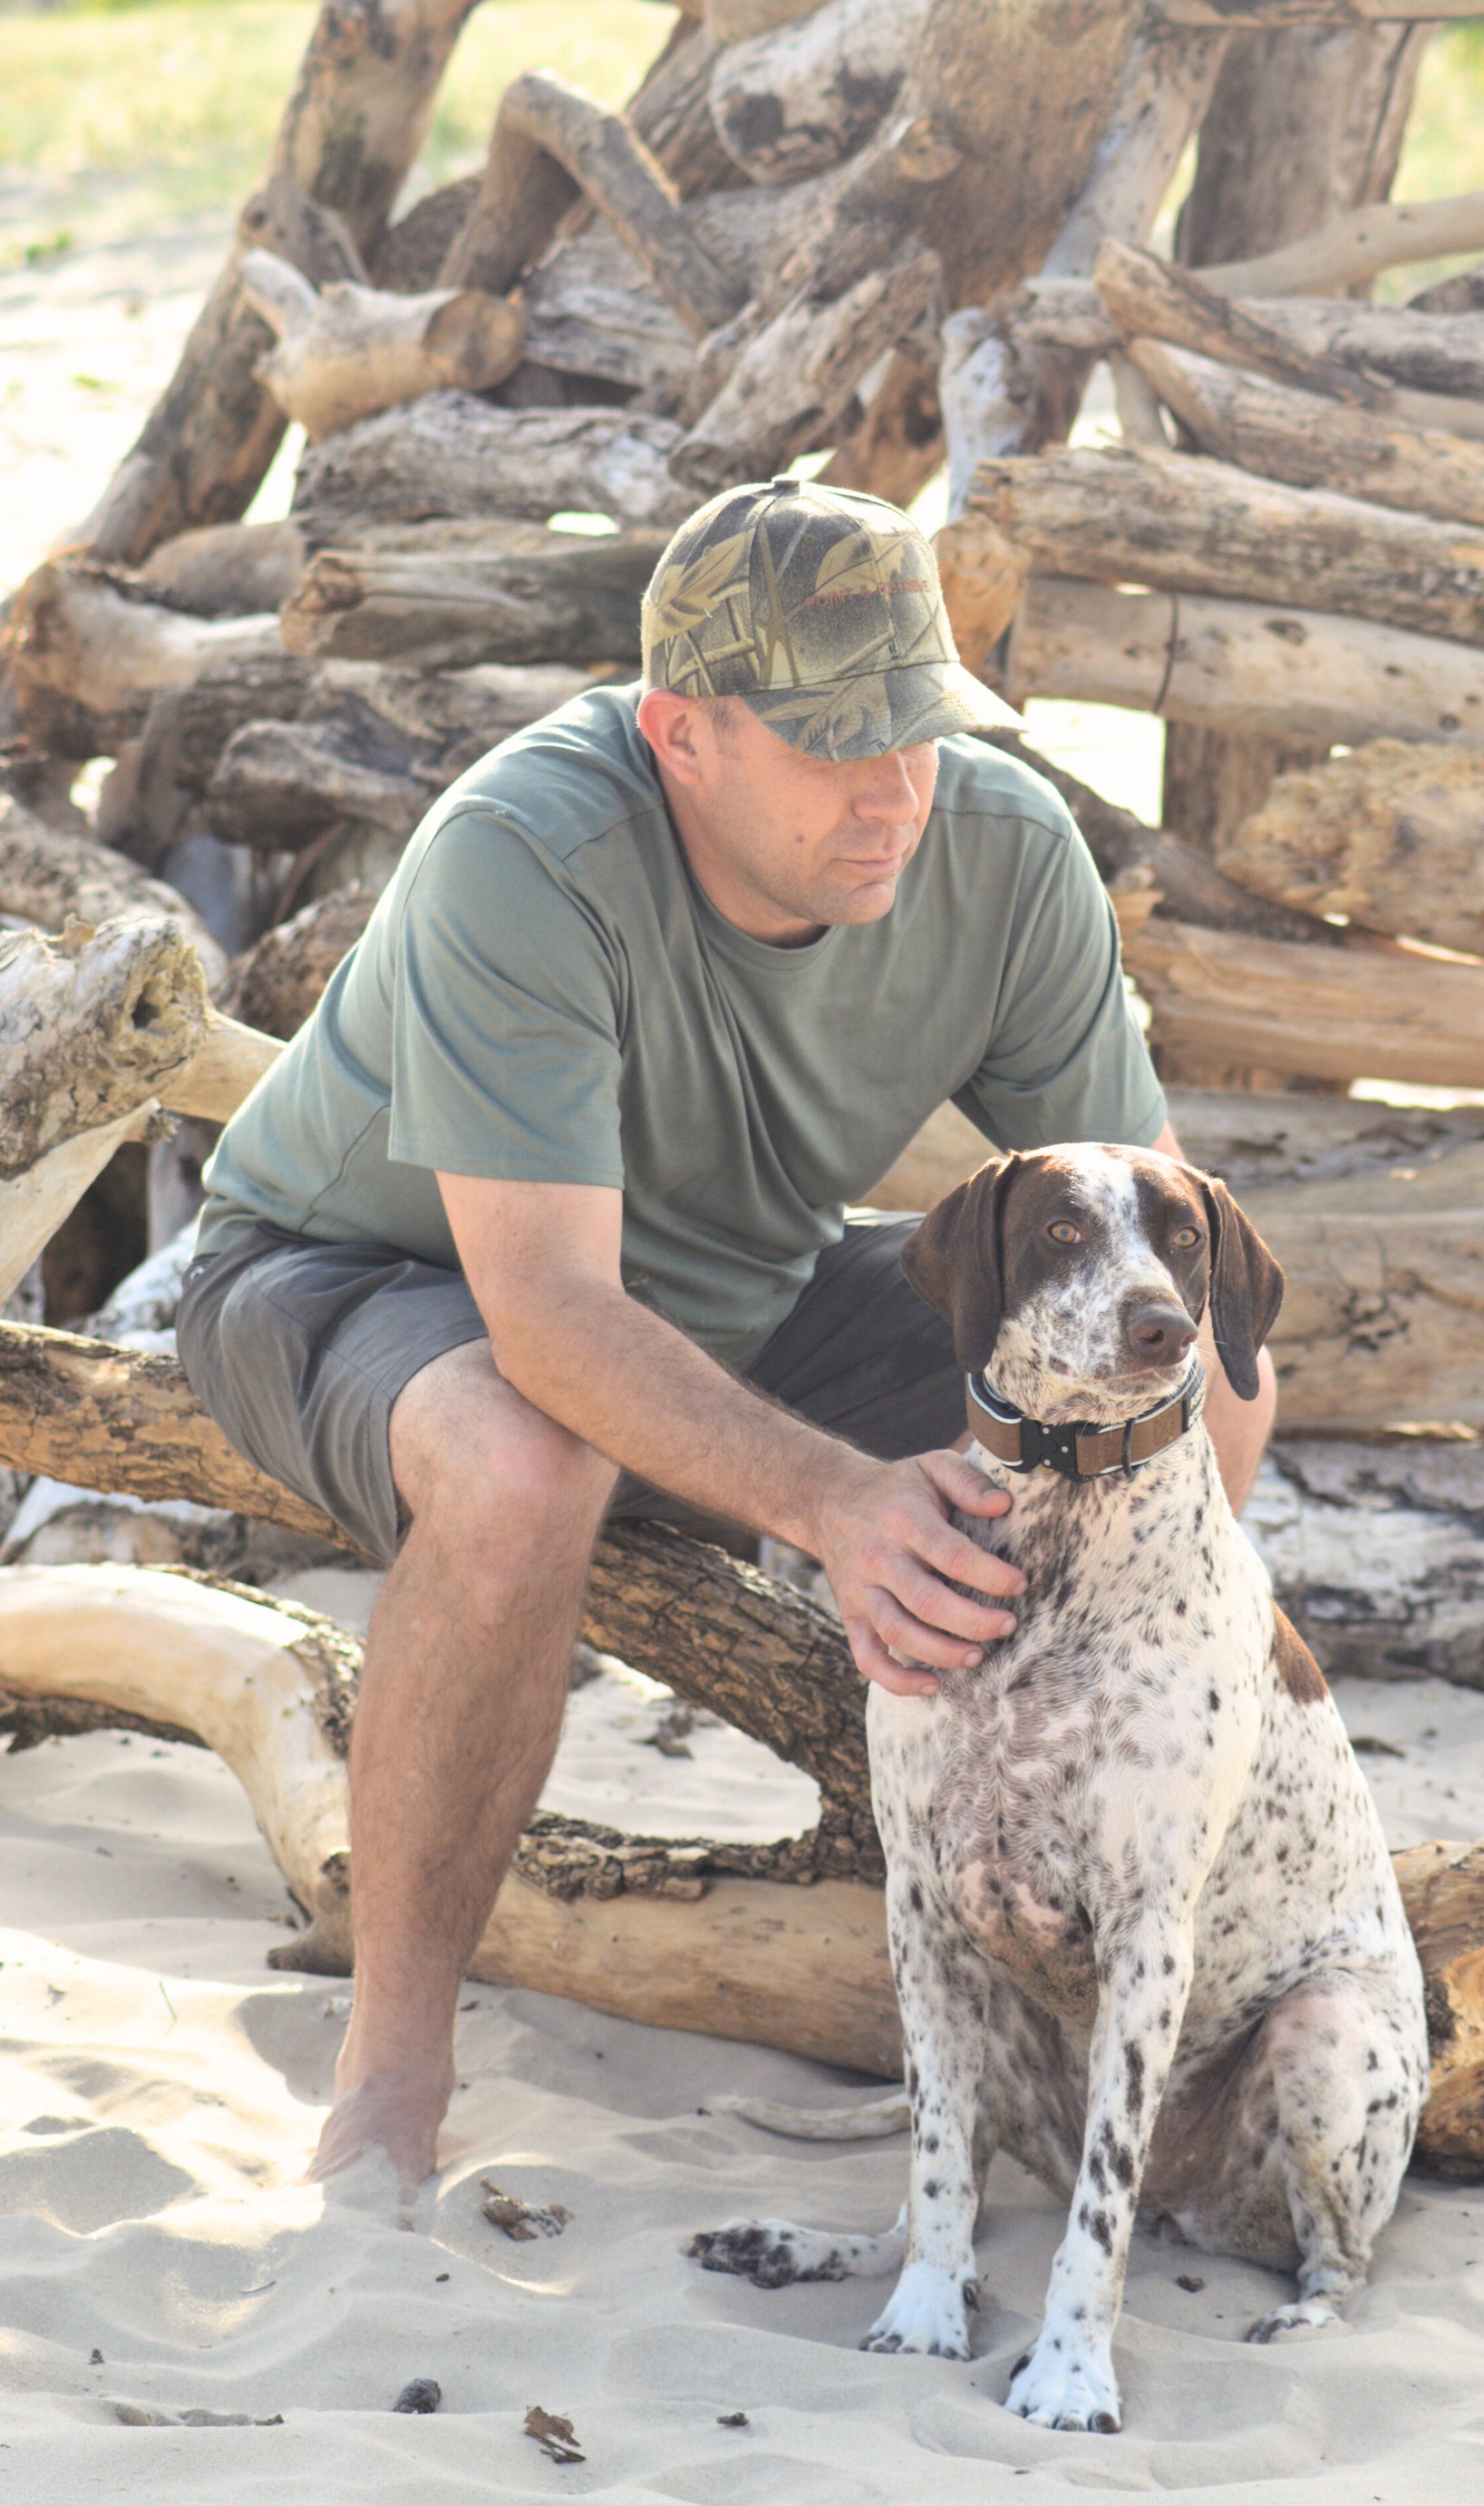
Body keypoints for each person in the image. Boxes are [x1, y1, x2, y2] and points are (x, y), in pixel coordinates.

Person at [178, 475, 1276, 2191]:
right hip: (362, 1285)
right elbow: (544, 1311)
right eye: (839, 744)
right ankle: (389, 2079)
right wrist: (838, 1505)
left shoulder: (996, 848)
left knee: (1189, 1386)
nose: (895, 790)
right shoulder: (524, 854)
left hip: (733, 1304)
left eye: (918, 727)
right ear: (679, 732)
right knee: (529, 1457)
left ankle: (1111, 1948)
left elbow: (1159, 1255)